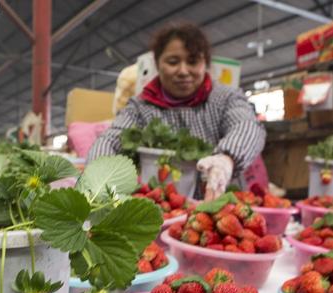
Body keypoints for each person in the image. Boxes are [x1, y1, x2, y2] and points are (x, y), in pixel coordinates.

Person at [87, 22, 266, 200]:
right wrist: (98, 178)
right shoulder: (141, 107)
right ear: (157, 64)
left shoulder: (225, 97)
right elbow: (111, 139)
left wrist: (226, 159)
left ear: (205, 64)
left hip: (221, 206)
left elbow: (247, 125)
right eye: (173, 62)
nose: (183, 71)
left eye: (193, 62)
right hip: (162, 210)